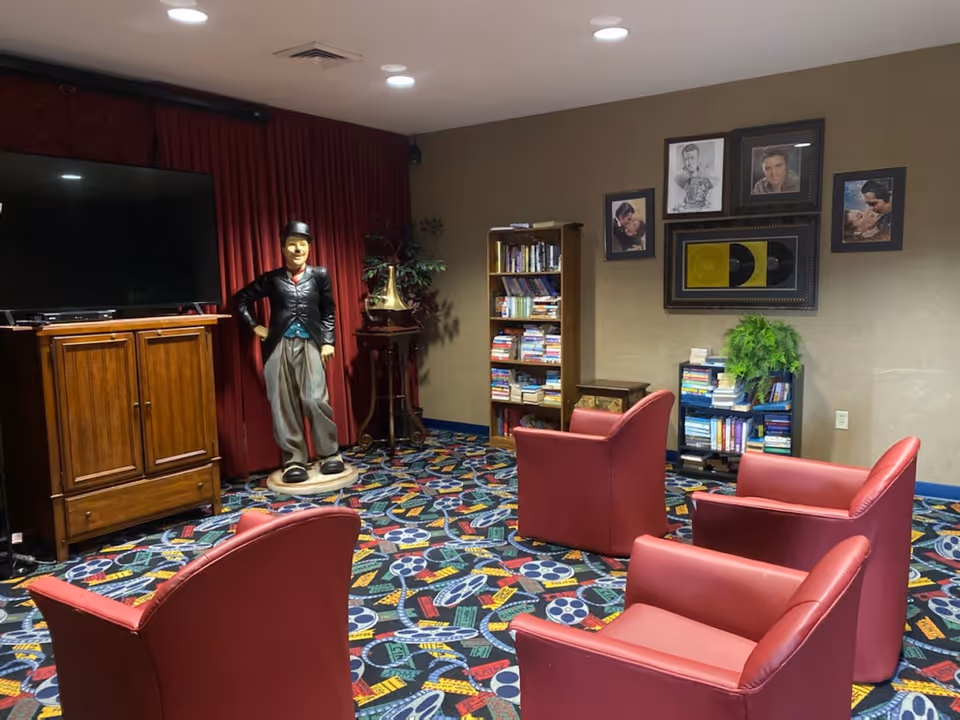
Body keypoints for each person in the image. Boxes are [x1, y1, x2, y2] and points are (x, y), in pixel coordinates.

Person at [234, 221, 344, 483]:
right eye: (292, 244)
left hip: (311, 344)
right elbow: (240, 299)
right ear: (283, 247)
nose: (298, 249)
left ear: (309, 247)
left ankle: (330, 454)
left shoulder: (320, 275)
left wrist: (328, 341)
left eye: (303, 243)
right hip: (279, 345)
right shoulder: (272, 279)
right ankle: (294, 460)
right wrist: (255, 326)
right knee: (282, 403)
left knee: (315, 398)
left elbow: (328, 310)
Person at [673, 143, 715, 212]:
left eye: (692, 158)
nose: (689, 162)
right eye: (686, 159)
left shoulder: (706, 181)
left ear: (698, 159)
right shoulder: (680, 181)